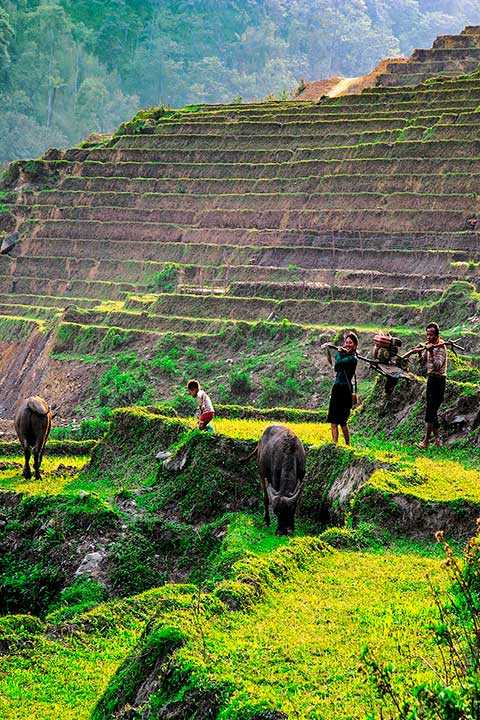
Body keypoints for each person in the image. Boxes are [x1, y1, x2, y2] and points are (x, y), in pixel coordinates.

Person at [413, 322, 447, 449]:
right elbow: (423, 363)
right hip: (431, 380)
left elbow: (438, 365)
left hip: (439, 381)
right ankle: (437, 440)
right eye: (427, 334)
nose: (428, 337)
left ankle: (426, 441)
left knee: (431, 410)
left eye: (431, 335)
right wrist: (420, 353)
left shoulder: (441, 347)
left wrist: (432, 351)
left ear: (437, 335)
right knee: (432, 410)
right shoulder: (429, 346)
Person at [326, 332, 358, 446]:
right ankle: (334, 445)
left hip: (345, 390)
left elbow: (337, 365)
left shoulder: (353, 359)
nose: (348, 344)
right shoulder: (345, 355)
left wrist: (339, 353)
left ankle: (347, 444)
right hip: (337, 388)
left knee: (342, 421)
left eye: (350, 343)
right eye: (346, 342)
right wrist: (341, 353)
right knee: (333, 420)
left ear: (355, 345)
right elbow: (337, 367)